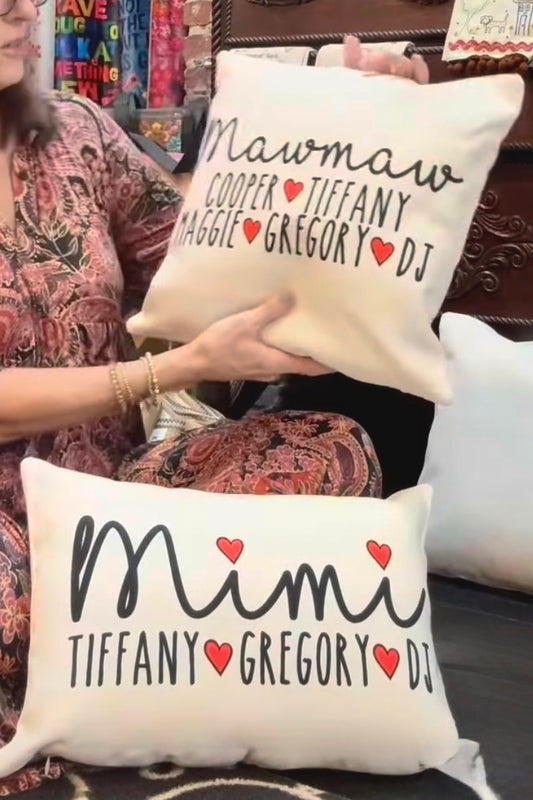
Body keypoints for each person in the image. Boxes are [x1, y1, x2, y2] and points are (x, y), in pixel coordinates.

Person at [0, 0, 426, 787]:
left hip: (110, 505)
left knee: (327, 454)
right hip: (12, 531)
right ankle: (132, 651)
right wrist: (173, 368)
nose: (23, 7)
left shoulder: (76, 134)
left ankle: (117, 650)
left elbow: (213, 254)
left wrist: (360, 132)